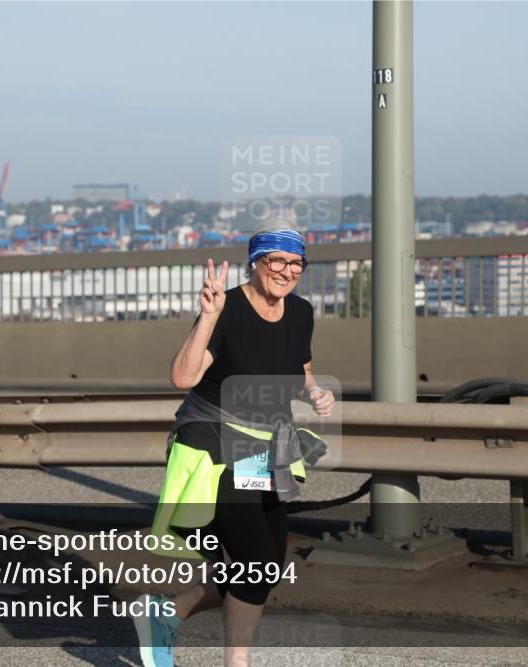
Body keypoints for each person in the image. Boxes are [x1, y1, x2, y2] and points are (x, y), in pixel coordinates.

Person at [131, 225, 334, 667]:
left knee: (266, 567)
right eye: (276, 261)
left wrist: (315, 392)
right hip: (216, 442)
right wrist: (207, 316)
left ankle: (168, 611)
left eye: (296, 263)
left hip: (268, 448)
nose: (287, 271)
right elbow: (183, 379)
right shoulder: (227, 309)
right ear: (256, 262)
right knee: (255, 561)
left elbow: (299, 369)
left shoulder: (300, 312)